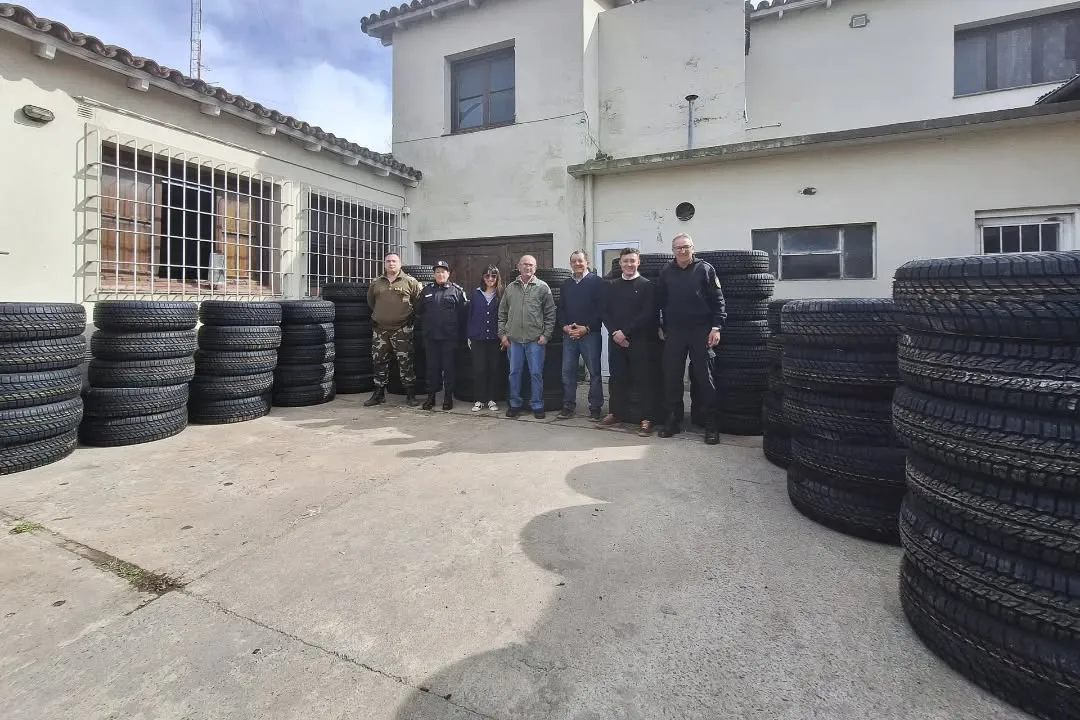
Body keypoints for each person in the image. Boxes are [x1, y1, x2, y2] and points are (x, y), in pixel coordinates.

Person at [655, 233, 726, 445]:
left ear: (693, 248)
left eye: (686, 247)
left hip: (700, 331)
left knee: (705, 378)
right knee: (672, 378)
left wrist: (716, 327)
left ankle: (711, 425)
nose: (682, 250)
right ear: (673, 250)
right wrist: (660, 326)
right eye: (678, 247)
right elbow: (659, 302)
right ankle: (672, 421)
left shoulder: (705, 269)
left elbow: (718, 301)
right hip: (674, 332)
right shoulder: (666, 271)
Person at [598, 248, 656, 437]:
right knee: (617, 379)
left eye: (632, 261)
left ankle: (647, 419)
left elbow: (647, 314)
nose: (629, 264)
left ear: (638, 262)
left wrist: (626, 333)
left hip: (638, 341)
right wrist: (615, 332)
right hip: (616, 340)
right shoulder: (612, 286)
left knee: (643, 379)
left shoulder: (647, 285)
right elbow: (605, 312)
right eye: (626, 261)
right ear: (620, 263)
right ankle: (615, 414)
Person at [498, 254, 556, 419]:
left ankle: (537, 405)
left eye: (531, 265)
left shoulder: (543, 287)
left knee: (536, 374)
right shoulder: (510, 288)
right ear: (519, 267)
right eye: (524, 264)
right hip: (514, 341)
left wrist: (546, 335)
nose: (527, 267)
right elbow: (502, 313)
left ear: (535, 268)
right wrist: (503, 335)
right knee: (514, 373)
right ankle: (514, 404)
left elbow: (550, 313)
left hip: (535, 341)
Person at [364, 253, 424, 407]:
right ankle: (379, 394)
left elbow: (418, 302)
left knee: (406, 363)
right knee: (379, 362)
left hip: (402, 330)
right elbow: (371, 302)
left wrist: (409, 317)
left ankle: (410, 395)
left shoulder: (410, 281)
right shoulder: (376, 282)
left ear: (400, 263)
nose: (391, 264)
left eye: (394, 261)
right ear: (384, 263)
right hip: (380, 330)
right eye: (388, 261)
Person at [556, 250, 605, 421]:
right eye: (574, 261)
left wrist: (587, 328)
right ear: (570, 264)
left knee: (594, 373)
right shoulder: (566, 284)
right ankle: (568, 406)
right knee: (567, 372)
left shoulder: (597, 282)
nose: (577, 264)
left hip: (590, 334)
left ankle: (595, 408)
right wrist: (565, 327)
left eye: (580, 261)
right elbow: (561, 309)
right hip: (569, 335)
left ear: (587, 262)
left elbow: (602, 309)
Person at [416, 260, 468, 411]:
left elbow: (463, 315)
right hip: (431, 338)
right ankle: (431, 397)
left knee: (449, 369)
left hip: (449, 338)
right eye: (437, 272)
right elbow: (419, 310)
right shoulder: (426, 290)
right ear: (434, 274)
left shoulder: (457, 291)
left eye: (443, 271)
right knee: (431, 369)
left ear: (448, 274)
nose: (440, 274)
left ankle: (448, 397)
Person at [466, 265, 505, 412]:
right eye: (487, 276)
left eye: (493, 276)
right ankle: (479, 399)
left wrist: (504, 335)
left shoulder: (501, 294)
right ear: (483, 278)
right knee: (479, 369)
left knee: (494, 369)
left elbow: (505, 315)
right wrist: (469, 335)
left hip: (495, 339)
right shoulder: (476, 294)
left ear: (497, 278)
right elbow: (470, 315)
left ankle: (491, 399)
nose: (490, 279)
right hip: (478, 338)